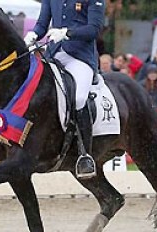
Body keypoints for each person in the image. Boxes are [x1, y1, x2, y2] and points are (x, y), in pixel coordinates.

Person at [24, 0, 105, 178]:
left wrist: (67, 33)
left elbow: (94, 29)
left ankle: (85, 155)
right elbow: (42, 24)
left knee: (79, 98)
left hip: (81, 57)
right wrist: (32, 35)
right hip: (54, 54)